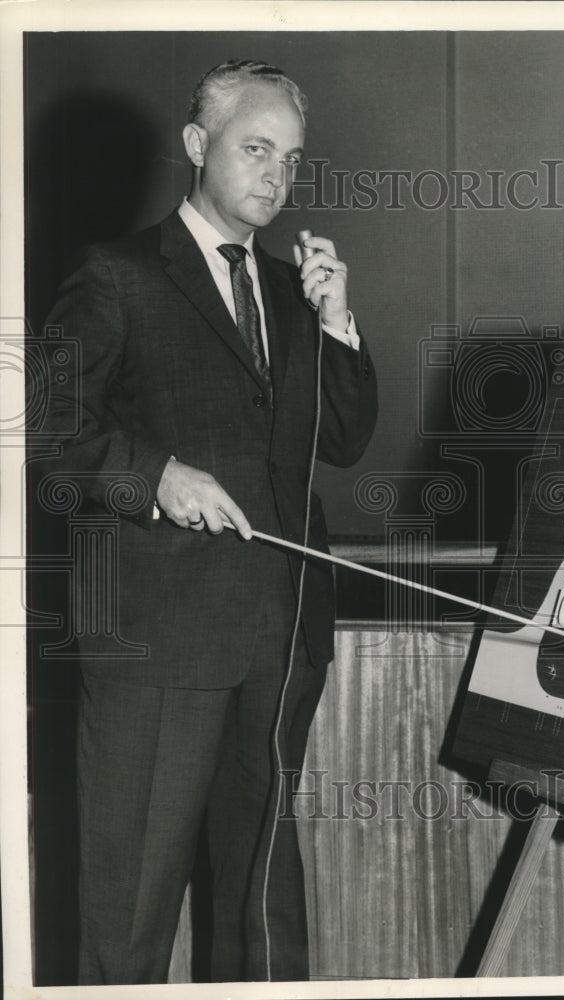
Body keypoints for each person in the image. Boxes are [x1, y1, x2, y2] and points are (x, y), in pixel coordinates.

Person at [39, 59, 377, 984]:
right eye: (255, 148)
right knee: (131, 911)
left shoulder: (292, 291)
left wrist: (338, 321)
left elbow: (342, 440)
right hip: (158, 644)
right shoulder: (116, 276)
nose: (276, 174)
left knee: (260, 905)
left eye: (292, 158)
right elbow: (48, 426)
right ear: (197, 147)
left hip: (277, 646)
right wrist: (158, 475)